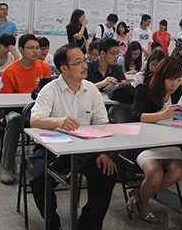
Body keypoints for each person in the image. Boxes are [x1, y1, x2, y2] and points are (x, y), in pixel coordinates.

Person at [30, 43, 117, 230]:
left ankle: (87, 225)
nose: (85, 66)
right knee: (39, 180)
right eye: (78, 63)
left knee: (107, 173)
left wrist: (104, 152)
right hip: (51, 148)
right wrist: (58, 121)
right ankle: (53, 225)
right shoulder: (50, 89)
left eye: (84, 61)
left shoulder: (91, 89)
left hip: (85, 147)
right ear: (64, 69)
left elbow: (102, 124)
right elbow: (35, 120)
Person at [130, 57, 182, 223]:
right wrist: (162, 115)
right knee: (155, 174)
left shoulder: (180, 92)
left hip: (171, 142)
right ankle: (144, 203)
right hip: (146, 142)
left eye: (178, 80)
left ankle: (139, 194)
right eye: (170, 80)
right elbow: (136, 116)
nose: (174, 84)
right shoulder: (143, 90)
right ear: (161, 77)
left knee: (177, 171)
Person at [0, 34, 52, 184]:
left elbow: (49, 92)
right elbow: (5, 99)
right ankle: (8, 168)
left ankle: (49, 163)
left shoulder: (44, 67)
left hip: (40, 111)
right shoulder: (10, 70)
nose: (35, 51)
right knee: (14, 120)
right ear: (21, 50)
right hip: (17, 112)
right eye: (31, 48)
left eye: (37, 48)